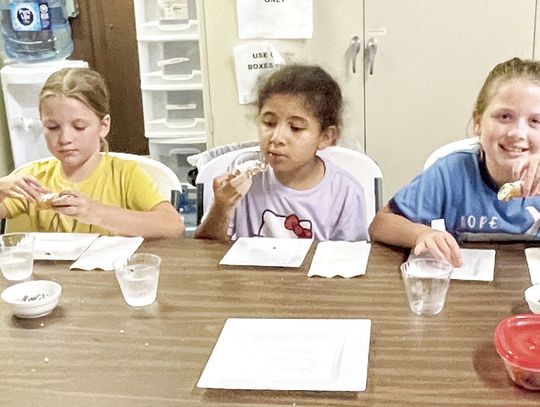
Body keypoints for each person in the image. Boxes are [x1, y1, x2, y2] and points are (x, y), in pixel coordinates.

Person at [369, 57, 540, 266]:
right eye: (504, 116)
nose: (518, 133)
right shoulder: (450, 174)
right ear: (478, 123)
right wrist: (421, 234)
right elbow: (380, 225)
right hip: (463, 287)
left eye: (536, 121)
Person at [0, 67, 184, 239]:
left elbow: (173, 226)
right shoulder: (33, 178)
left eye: (79, 127)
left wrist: (93, 211)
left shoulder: (125, 175)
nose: (65, 138)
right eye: (52, 127)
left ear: (103, 126)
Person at [195, 64, 368, 241]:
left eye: (295, 127)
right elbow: (206, 247)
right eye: (269, 123)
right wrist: (221, 207)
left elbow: (350, 259)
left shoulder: (344, 192)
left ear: (325, 137)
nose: (276, 138)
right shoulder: (242, 178)